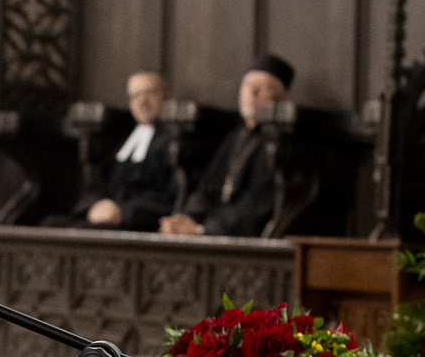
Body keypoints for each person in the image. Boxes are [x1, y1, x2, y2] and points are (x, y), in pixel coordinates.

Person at [160, 54, 294, 237]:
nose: (252, 93)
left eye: (263, 88)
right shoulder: (234, 138)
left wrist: (204, 230)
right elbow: (206, 189)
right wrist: (188, 220)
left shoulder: (282, 145)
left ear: (283, 98)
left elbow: (259, 205)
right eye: (247, 86)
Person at [51, 71, 179, 230]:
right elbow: (97, 184)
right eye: (135, 96)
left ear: (167, 97)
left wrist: (122, 212)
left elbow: (172, 198)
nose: (142, 101)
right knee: (50, 224)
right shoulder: (119, 142)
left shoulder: (174, 144)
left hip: (137, 222)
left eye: (150, 93)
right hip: (105, 219)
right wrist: (95, 206)